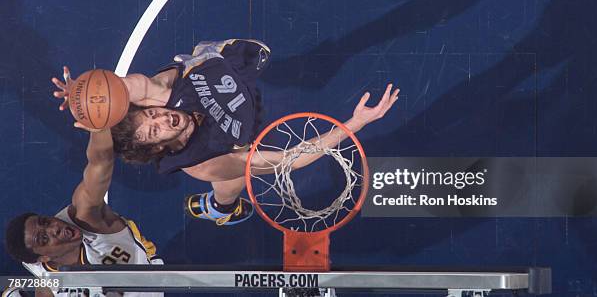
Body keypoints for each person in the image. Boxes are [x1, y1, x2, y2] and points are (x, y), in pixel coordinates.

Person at [51, 39, 400, 226]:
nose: (163, 120)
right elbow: (289, 161)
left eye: (154, 115)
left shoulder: (157, 90)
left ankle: (206, 52)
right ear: (158, 149)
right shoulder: (201, 162)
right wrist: (357, 123)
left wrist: (84, 97)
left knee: (248, 50)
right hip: (238, 134)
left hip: (224, 77)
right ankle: (222, 207)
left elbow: (119, 89)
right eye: (155, 131)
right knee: (235, 176)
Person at [3, 117, 162, 297]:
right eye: (43, 238)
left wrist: (98, 124)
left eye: (45, 222)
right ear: (44, 258)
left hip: (151, 276)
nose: (54, 228)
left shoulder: (85, 215)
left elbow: (100, 163)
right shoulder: (50, 285)